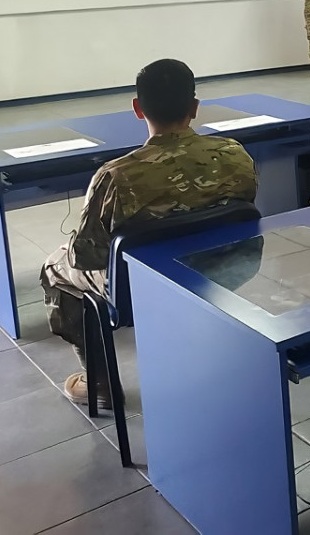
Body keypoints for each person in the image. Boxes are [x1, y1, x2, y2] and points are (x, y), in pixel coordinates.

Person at [39, 59, 257, 407]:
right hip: (222, 273)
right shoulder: (235, 155)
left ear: (138, 109)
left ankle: (99, 383)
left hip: (140, 290)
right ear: (195, 107)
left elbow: (86, 256)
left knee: (56, 266)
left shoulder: (116, 176)